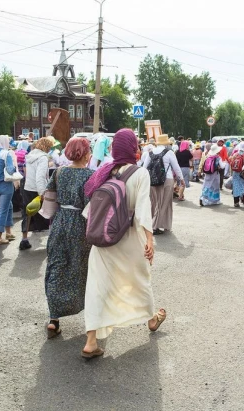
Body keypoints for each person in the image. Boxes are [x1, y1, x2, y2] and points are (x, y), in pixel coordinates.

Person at [81, 129, 165, 359]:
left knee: (97, 286)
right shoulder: (140, 174)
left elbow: (90, 211)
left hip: (103, 239)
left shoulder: (104, 171)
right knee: (138, 279)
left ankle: (90, 341)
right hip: (128, 237)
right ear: (132, 148)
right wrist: (149, 240)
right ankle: (151, 319)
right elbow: (142, 211)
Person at [44, 137, 94, 338]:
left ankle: (54, 319)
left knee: (57, 265)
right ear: (86, 154)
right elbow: (93, 205)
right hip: (81, 224)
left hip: (59, 222)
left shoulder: (59, 172)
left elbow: (49, 195)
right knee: (81, 267)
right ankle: (90, 315)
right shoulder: (92, 175)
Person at [143, 134, 183, 235]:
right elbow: (176, 167)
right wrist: (181, 179)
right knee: (165, 203)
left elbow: (144, 167)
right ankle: (156, 226)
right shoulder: (169, 152)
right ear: (166, 143)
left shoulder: (150, 152)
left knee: (154, 202)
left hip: (153, 181)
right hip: (167, 180)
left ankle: (153, 224)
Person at [20, 137, 53, 250]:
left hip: (27, 187)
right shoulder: (43, 158)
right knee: (47, 213)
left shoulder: (30, 156)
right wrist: (42, 193)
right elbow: (40, 176)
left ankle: (24, 239)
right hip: (38, 189)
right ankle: (51, 240)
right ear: (47, 147)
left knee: (27, 214)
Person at [231, 142, 244, 207]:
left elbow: (232, 163)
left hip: (235, 173)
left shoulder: (235, 154)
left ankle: (236, 202)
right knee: (243, 186)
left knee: (235, 187)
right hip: (242, 173)